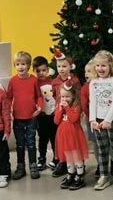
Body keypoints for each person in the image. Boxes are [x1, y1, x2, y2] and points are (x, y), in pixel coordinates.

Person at [89, 50, 113, 191]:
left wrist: (108, 120)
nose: (100, 69)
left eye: (103, 66)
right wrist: (93, 120)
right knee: (102, 149)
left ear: (110, 66)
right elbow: (92, 102)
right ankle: (104, 175)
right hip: (98, 120)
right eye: (97, 66)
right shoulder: (94, 82)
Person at [7, 51, 43, 180]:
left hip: (31, 117)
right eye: (17, 64)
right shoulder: (13, 81)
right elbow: (8, 98)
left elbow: (39, 96)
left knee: (31, 143)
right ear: (14, 66)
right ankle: (20, 166)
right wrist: (9, 111)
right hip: (17, 118)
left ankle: (33, 165)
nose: (20, 66)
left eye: (23, 64)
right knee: (20, 143)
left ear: (28, 66)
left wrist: (39, 107)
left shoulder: (34, 80)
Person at [51, 49, 81, 177]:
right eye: (59, 66)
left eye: (64, 66)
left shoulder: (75, 81)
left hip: (73, 113)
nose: (61, 69)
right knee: (64, 142)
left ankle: (79, 166)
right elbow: (53, 96)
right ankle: (65, 164)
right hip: (60, 113)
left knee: (74, 142)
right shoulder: (55, 82)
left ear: (70, 67)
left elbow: (78, 96)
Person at [55, 80, 88, 190]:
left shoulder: (76, 106)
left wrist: (67, 108)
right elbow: (56, 121)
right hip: (63, 135)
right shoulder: (60, 106)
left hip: (74, 135)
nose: (64, 99)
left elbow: (74, 119)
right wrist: (60, 110)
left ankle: (80, 176)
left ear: (73, 96)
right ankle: (71, 174)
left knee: (76, 156)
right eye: (62, 97)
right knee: (68, 157)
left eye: (67, 97)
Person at [32, 56, 56, 171]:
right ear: (34, 70)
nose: (41, 73)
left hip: (53, 115)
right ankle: (42, 159)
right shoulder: (34, 83)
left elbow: (57, 96)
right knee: (42, 138)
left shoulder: (52, 81)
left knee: (54, 137)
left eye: (43, 70)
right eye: (38, 71)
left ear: (47, 69)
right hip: (41, 116)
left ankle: (57, 158)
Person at [80, 60, 100, 177]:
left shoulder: (100, 86)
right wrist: (92, 118)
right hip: (91, 121)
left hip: (103, 119)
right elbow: (84, 105)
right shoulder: (84, 88)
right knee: (96, 144)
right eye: (85, 71)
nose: (86, 74)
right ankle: (99, 164)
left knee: (108, 143)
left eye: (89, 71)